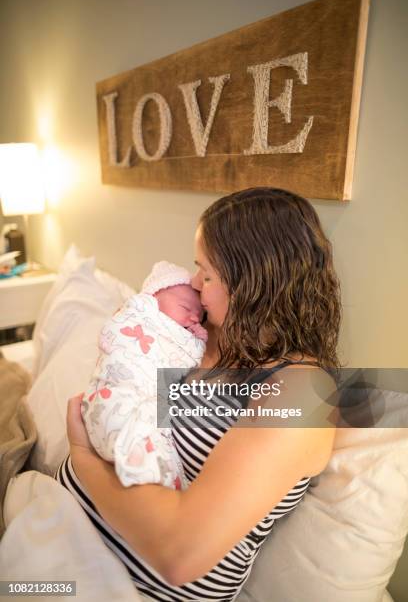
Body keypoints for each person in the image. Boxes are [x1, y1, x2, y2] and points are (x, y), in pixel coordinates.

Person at [58, 187, 341, 601]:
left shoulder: (301, 390)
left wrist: (82, 456)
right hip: (63, 536)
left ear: (254, 282)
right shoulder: (204, 334)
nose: (193, 283)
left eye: (206, 273)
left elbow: (180, 554)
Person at [81, 260, 208, 492]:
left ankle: (149, 469)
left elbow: (188, 360)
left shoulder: (189, 337)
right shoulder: (141, 313)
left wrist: (79, 448)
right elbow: (115, 334)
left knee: (152, 436)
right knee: (117, 412)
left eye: (198, 314)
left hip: (152, 402)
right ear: (153, 298)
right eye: (186, 308)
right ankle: (133, 456)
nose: (194, 318)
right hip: (127, 382)